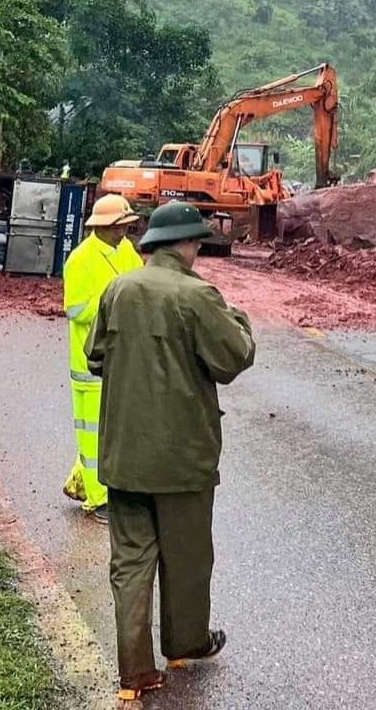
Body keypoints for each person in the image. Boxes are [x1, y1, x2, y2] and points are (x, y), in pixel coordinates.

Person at [86, 202, 256, 701]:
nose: (199, 250)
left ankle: (134, 672)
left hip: (123, 455)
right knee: (185, 558)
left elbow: (96, 357)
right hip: (183, 459)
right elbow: (234, 357)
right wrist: (239, 318)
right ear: (184, 245)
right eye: (198, 243)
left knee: (131, 562)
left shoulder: (118, 289)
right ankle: (186, 644)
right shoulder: (198, 294)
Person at [60, 194, 143, 523]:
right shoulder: (80, 259)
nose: (124, 232)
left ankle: (82, 483)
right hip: (90, 365)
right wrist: (115, 300)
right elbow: (76, 310)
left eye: (126, 226)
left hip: (122, 360)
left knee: (113, 432)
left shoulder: (125, 251)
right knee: (93, 435)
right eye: (119, 227)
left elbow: (139, 283)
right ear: (104, 227)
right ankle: (98, 499)